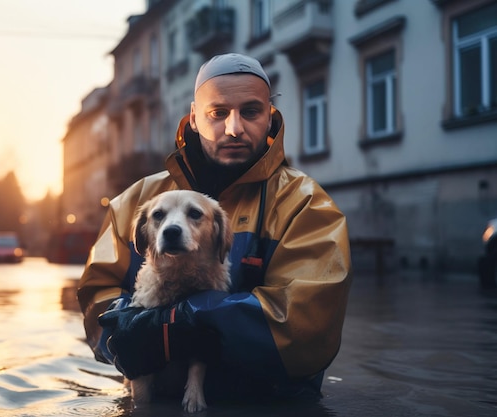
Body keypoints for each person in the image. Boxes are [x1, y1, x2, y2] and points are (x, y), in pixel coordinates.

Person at [76, 53, 352, 403]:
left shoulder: (307, 206)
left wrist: (184, 322)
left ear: (270, 116)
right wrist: (124, 333)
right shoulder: (135, 202)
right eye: (217, 113)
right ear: (193, 118)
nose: (234, 128)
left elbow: (308, 326)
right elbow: (96, 296)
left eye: (250, 112)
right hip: (159, 400)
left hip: (267, 406)